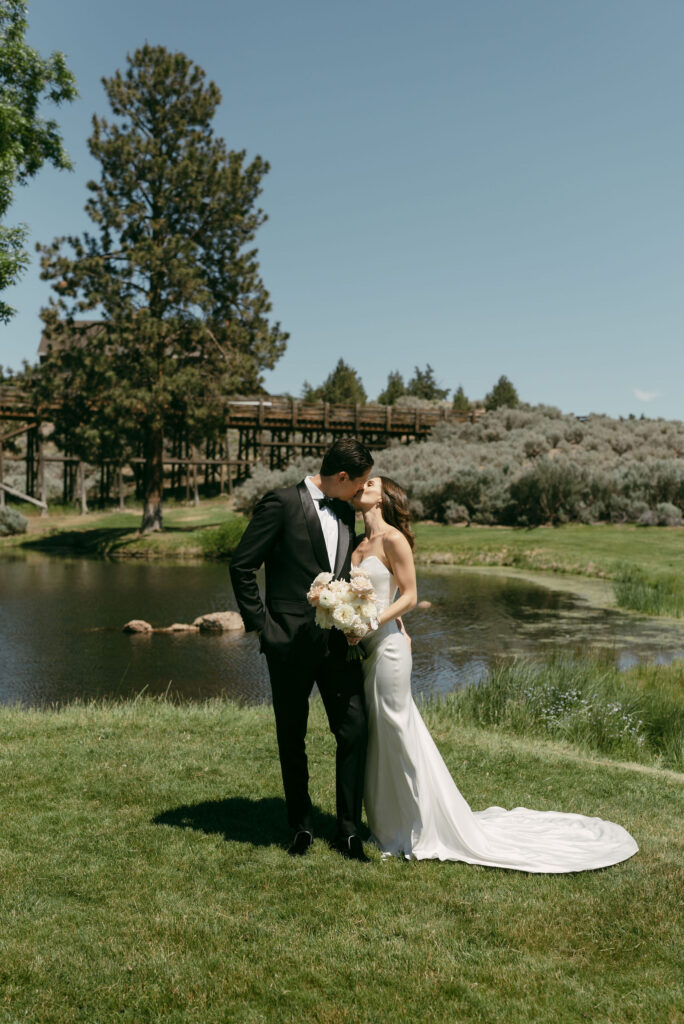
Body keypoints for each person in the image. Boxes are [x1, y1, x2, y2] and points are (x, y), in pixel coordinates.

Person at [351, 475, 639, 871]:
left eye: (370, 484)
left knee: (397, 729)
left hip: (388, 648)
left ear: (383, 497)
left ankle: (420, 827)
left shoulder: (393, 540)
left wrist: (375, 623)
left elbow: (411, 596)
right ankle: (387, 825)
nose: (361, 487)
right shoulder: (358, 544)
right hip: (364, 648)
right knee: (379, 734)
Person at [230, 437, 373, 860]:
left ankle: (348, 830)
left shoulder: (347, 510)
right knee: (292, 737)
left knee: (354, 731)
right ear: (341, 477)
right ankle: (301, 827)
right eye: (358, 484)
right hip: (287, 645)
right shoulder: (280, 504)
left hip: (339, 644)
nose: (360, 492)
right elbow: (241, 565)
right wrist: (263, 627)